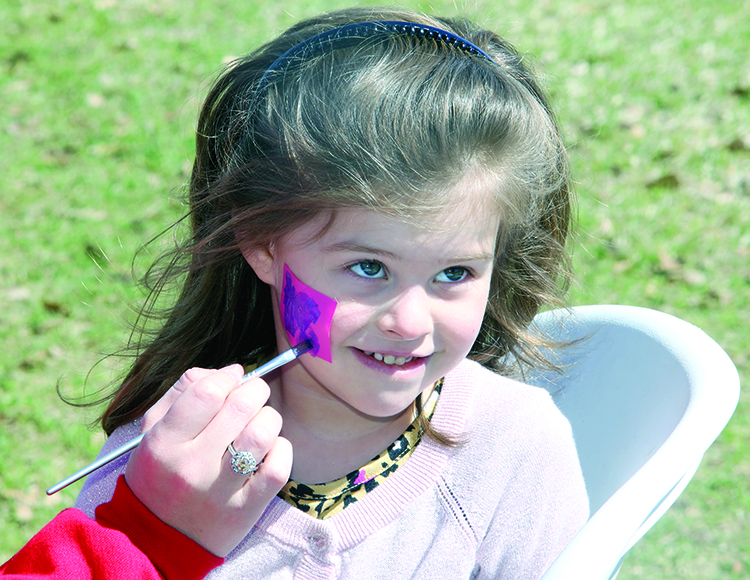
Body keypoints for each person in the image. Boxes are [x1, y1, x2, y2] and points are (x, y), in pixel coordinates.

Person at [1, 7, 589, 579]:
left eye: (455, 274)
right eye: (366, 267)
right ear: (261, 244)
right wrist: (154, 531)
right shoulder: (167, 465)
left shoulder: (515, 451)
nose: (411, 322)